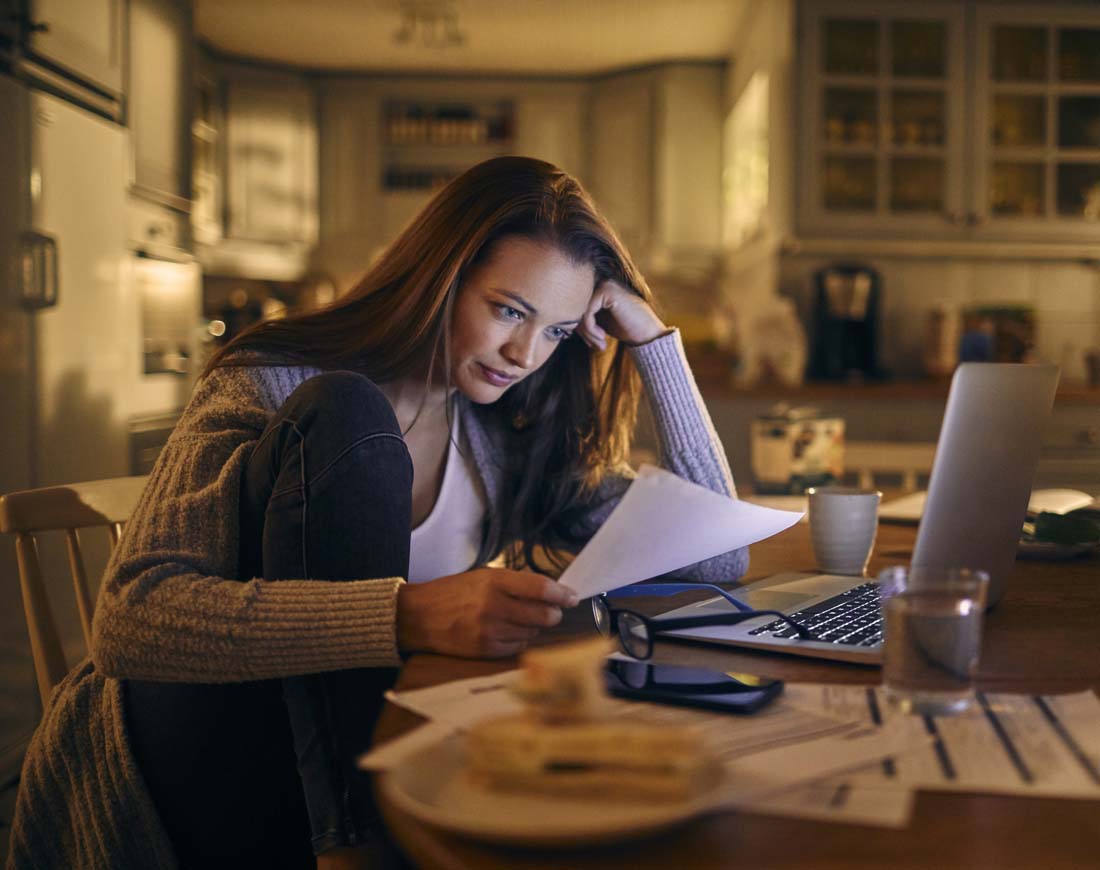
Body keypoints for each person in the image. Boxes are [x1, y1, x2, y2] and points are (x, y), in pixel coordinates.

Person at [6, 156, 748, 869]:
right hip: (186, 749)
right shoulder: (274, 381)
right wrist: (407, 615)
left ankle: (361, 834)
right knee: (348, 411)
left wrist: (654, 342)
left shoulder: (501, 435)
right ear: (441, 278)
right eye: (508, 310)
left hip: (348, 768)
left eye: (556, 331)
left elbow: (718, 557)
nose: (525, 352)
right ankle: (358, 845)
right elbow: (130, 622)